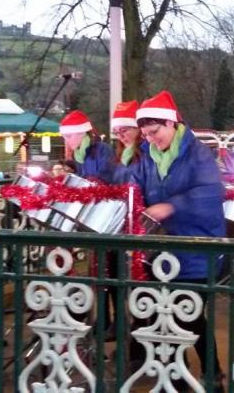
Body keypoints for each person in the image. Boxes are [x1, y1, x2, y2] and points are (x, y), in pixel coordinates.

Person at [128, 90, 225, 390]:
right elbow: (135, 180)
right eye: (145, 134)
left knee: (189, 317)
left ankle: (204, 376)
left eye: (154, 131)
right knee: (169, 317)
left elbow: (211, 192)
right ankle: (185, 377)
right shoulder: (148, 158)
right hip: (165, 251)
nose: (150, 139)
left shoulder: (199, 153)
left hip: (198, 248)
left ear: (171, 124)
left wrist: (171, 206)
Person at [59, 110, 115, 182]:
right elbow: (82, 178)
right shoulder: (78, 155)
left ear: (82, 133)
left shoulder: (103, 150)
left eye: (69, 136)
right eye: (64, 138)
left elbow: (106, 178)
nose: (66, 141)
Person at [111, 100, 143, 182]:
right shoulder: (121, 154)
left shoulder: (147, 154)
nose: (120, 136)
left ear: (138, 129)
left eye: (123, 130)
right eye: (116, 132)